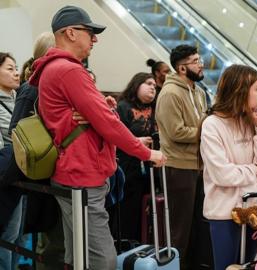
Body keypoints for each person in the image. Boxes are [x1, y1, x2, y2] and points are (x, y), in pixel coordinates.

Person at [28, 6, 167, 269]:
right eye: (89, 32)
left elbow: (95, 115)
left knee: (77, 255)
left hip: (71, 172)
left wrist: (100, 108)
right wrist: (147, 153)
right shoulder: (69, 71)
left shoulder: (52, 69)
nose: (95, 39)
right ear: (70, 33)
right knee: (102, 259)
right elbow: (108, 124)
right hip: (83, 176)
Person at [199, 64, 257, 270]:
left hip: (255, 208)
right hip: (225, 212)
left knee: (252, 265)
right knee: (227, 267)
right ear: (240, 91)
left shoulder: (251, 120)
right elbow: (222, 174)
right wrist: (253, 170)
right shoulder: (212, 124)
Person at [156, 44, 207, 270]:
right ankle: (176, 266)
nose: (201, 64)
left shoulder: (198, 91)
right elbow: (175, 131)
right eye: (195, 61)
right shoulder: (170, 93)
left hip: (198, 165)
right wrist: (207, 133)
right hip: (178, 167)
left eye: (199, 59)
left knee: (198, 224)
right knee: (180, 227)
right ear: (182, 68)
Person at [109, 72, 157, 242]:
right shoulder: (123, 107)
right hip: (127, 170)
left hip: (149, 171)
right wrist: (137, 141)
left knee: (141, 215)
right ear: (137, 85)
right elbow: (114, 137)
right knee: (125, 214)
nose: (153, 87)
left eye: (154, 85)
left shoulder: (155, 108)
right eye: (148, 83)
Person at [0, 52, 20, 270]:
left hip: (20, 173)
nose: (16, 74)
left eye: (16, 68)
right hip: (5, 177)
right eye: (9, 68)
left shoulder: (19, 100)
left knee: (17, 237)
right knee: (7, 234)